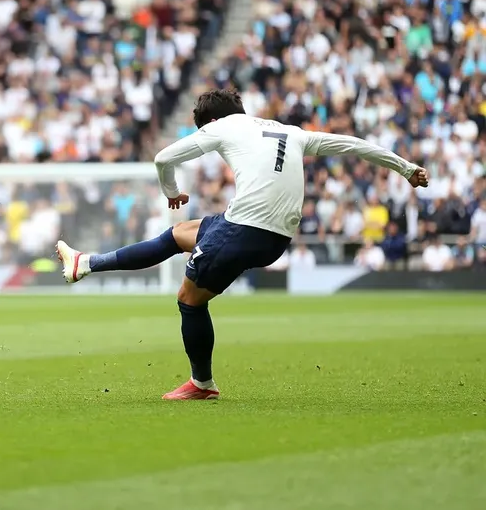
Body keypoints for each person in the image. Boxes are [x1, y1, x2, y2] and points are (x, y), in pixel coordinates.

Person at [56, 89, 429, 400]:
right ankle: (86, 263)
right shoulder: (291, 131)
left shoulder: (222, 128)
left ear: (211, 122)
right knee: (178, 235)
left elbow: (162, 158)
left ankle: (202, 384)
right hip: (276, 235)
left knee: (189, 300)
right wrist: (406, 168)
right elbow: (352, 145)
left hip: (245, 229)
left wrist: (171, 192)